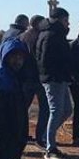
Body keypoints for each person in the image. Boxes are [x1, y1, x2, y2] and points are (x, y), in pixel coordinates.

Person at [37, 7, 74, 159]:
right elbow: (45, 60)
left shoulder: (56, 34)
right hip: (53, 79)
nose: (68, 23)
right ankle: (50, 148)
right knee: (56, 111)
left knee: (67, 110)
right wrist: (58, 74)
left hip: (60, 78)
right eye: (66, 20)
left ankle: (47, 138)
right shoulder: (50, 35)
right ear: (59, 19)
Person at [21, 14, 50, 147]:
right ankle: (40, 136)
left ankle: (22, 135)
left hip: (27, 78)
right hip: (37, 78)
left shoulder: (23, 37)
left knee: (23, 108)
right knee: (45, 108)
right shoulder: (39, 37)